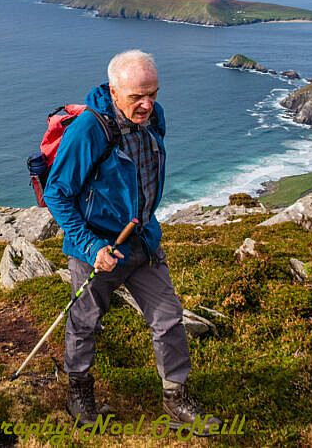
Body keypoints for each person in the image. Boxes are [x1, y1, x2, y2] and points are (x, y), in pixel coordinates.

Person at [43, 49, 216, 430]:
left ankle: (176, 396)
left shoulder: (156, 117)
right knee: (86, 322)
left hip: (142, 239)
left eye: (152, 93)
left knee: (168, 316)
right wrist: (91, 246)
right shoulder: (88, 130)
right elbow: (57, 193)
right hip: (97, 246)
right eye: (137, 96)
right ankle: (79, 392)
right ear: (115, 90)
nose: (147, 104)